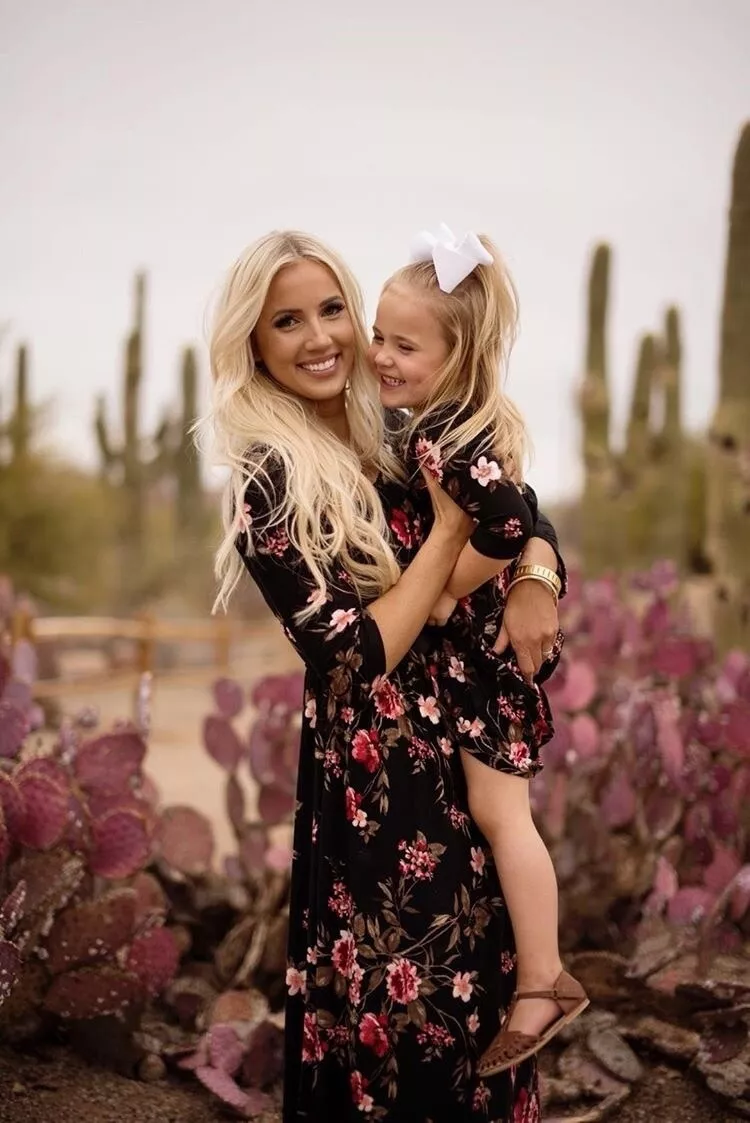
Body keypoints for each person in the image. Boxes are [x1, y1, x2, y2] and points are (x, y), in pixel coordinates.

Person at [206, 229, 562, 1121]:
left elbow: (517, 505)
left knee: (483, 983)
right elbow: (351, 656)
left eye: (333, 309)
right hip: (380, 779)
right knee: (406, 1007)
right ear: (254, 341)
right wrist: (445, 544)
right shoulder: (269, 484)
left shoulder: (402, 428)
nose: (321, 337)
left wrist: (537, 576)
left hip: (466, 742)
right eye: (287, 320)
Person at [368, 226, 588, 1076]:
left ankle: (543, 981)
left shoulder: (443, 433)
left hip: (482, 665)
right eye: (380, 335)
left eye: (404, 344)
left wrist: (450, 583)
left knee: (503, 817)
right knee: (495, 818)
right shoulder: (440, 418)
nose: (383, 355)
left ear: (456, 354)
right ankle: (538, 977)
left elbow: (507, 519)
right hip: (466, 669)